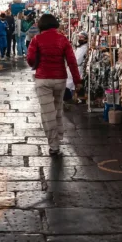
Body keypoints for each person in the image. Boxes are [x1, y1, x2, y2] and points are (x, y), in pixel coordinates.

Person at [27, 13, 81, 155]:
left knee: (48, 113)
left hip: (43, 80)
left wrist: (37, 63)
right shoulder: (62, 39)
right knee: (57, 110)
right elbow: (72, 61)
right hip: (60, 80)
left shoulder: (36, 39)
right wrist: (77, 81)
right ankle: (59, 137)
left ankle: (54, 145)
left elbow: (30, 59)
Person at [64, 31, 89, 103]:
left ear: (86, 39)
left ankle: (71, 98)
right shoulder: (80, 46)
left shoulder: (85, 47)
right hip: (73, 67)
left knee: (73, 84)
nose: (80, 39)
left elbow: (78, 59)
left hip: (77, 67)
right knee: (69, 83)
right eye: (79, 37)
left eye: (82, 37)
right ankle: (71, 97)